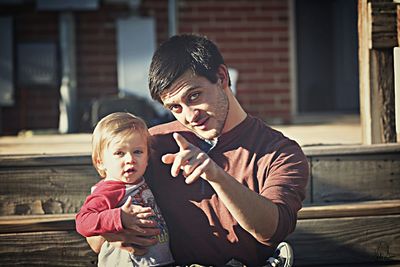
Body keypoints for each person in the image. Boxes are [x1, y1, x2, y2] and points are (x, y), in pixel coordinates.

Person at [87, 34, 309, 267]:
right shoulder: (149, 145)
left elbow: (271, 230)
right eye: (175, 107)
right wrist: (118, 233)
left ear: (221, 77)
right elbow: (94, 239)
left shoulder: (280, 152)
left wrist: (215, 174)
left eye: (194, 96)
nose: (190, 115)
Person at [76, 112, 174, 267]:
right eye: (119, 153)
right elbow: (83, 221)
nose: (130, 159)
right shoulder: (108, 191)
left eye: (138, 152)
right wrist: (120, 217)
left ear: (147, 158)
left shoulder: (140, 181)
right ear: (100, 162)